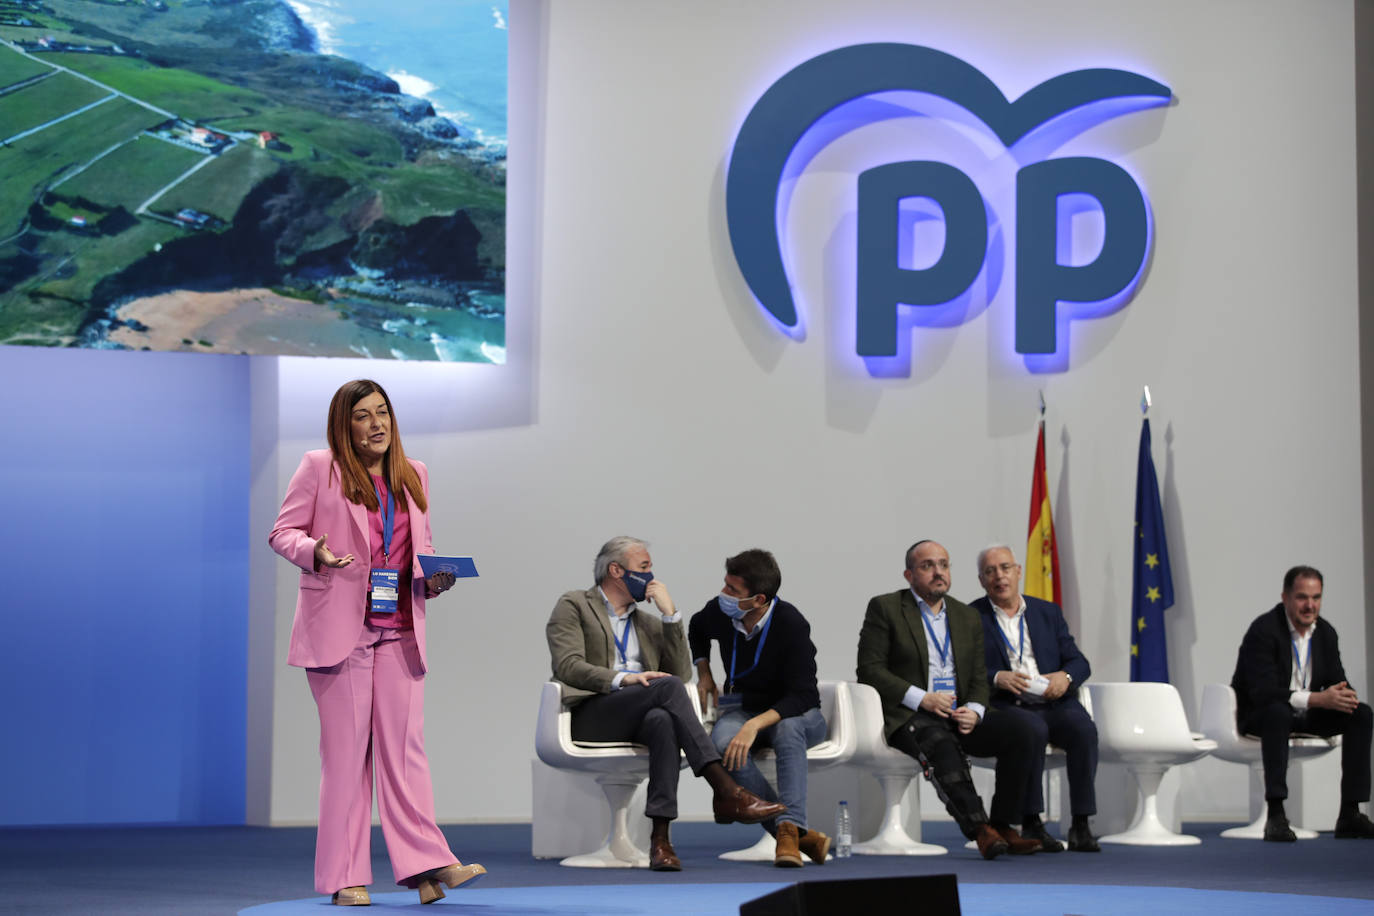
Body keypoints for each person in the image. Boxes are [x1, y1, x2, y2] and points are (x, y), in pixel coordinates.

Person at [269, 380, 484, 907]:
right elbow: (282, 531)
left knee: (405, 753)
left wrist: (434, 577)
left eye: (383, 413)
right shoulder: (320, 466)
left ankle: (427, 864)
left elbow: (420, 546)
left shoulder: (415, 475)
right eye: (363, 416)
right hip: (339, 634)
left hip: (400, 632)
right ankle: (346, 877)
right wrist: (314, 552)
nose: (377, 424)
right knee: (346, 758)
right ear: (345, 426)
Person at [545, 537, 786, 871]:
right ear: (616, 570)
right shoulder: (574, 604)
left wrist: (671, 616)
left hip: (640, 711)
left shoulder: (646, 622)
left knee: (662, 718)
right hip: (593, 711)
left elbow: (680, 673)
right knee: (664, 691)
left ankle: (660, 841)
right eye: (644, 567)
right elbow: (567, 665)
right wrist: (623, 678)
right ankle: (725, 789)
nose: (651, 575)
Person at [856, 539, 1042, 859]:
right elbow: (869, 670)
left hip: (958, 712)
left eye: (943, 564)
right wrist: (921, 699)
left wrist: (975, 709)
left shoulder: (966, 615)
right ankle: (981, 830)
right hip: (910, 714)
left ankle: (1004, 825)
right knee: (938, 741)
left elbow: (977, 676)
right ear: (909, 574)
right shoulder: (886, 608)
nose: (938, 572)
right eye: (927, 566)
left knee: (1024, 731)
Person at [689, 549, 831, 867]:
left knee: (788, 728)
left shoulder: (791, 624)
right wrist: (704, 672)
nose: (722, 595)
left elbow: (803, 696)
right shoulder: (720, 612)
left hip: (798, 715)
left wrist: (753, 726)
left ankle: (789, 835)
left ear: (758, 600)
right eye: (725, 585)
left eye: (732, 590)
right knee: (721, 744)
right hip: (745, 707)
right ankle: (793, 835)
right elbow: (696, 628)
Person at [970, 544, 1100, 852]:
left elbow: (1079, 662)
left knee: (1084, 730)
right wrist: (996, 677)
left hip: (1053, 702)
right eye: (990, 571)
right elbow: (966, 670)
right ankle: (1032, 821)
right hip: (1006, 703)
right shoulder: (971, 616)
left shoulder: (1047, 612)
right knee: (1031, 730)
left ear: (1018, 572)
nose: (998, 576)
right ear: (981, 580)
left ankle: (1081, 823)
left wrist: (1064, 678)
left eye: (1004, 568)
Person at [1231, 564, 1374, 841]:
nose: (1310, 605)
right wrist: (1318, 698)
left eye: (1316, 597)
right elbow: (1262, 692)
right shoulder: (1263, 630)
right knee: (1278, 712)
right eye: (1302, 597)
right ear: (1285, 597)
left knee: (1361, 714)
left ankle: (1350, 813)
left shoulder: (1325, 633)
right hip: (1260, 714)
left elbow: (1337, 678)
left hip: (1306, 713)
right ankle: (1276, 814)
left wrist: (1344, 696)